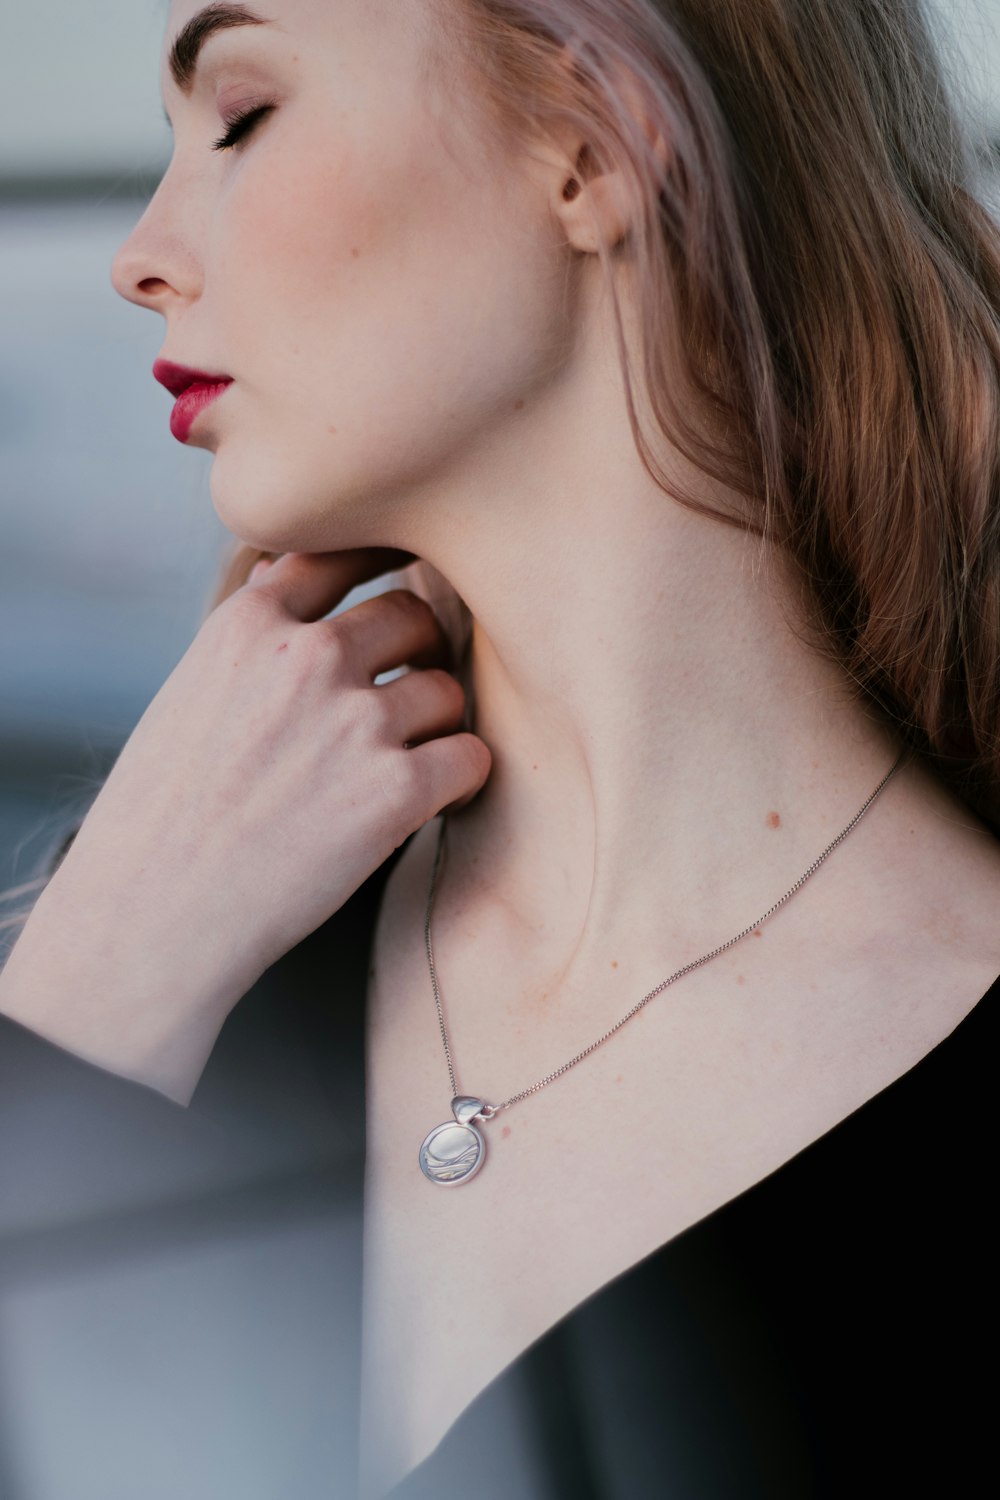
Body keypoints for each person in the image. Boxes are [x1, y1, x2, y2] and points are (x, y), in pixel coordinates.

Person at [1, 0, 998, 1496]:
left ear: (594, 147)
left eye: (243, 116)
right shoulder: (160, 943)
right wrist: (90, 987)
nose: (141, 254)